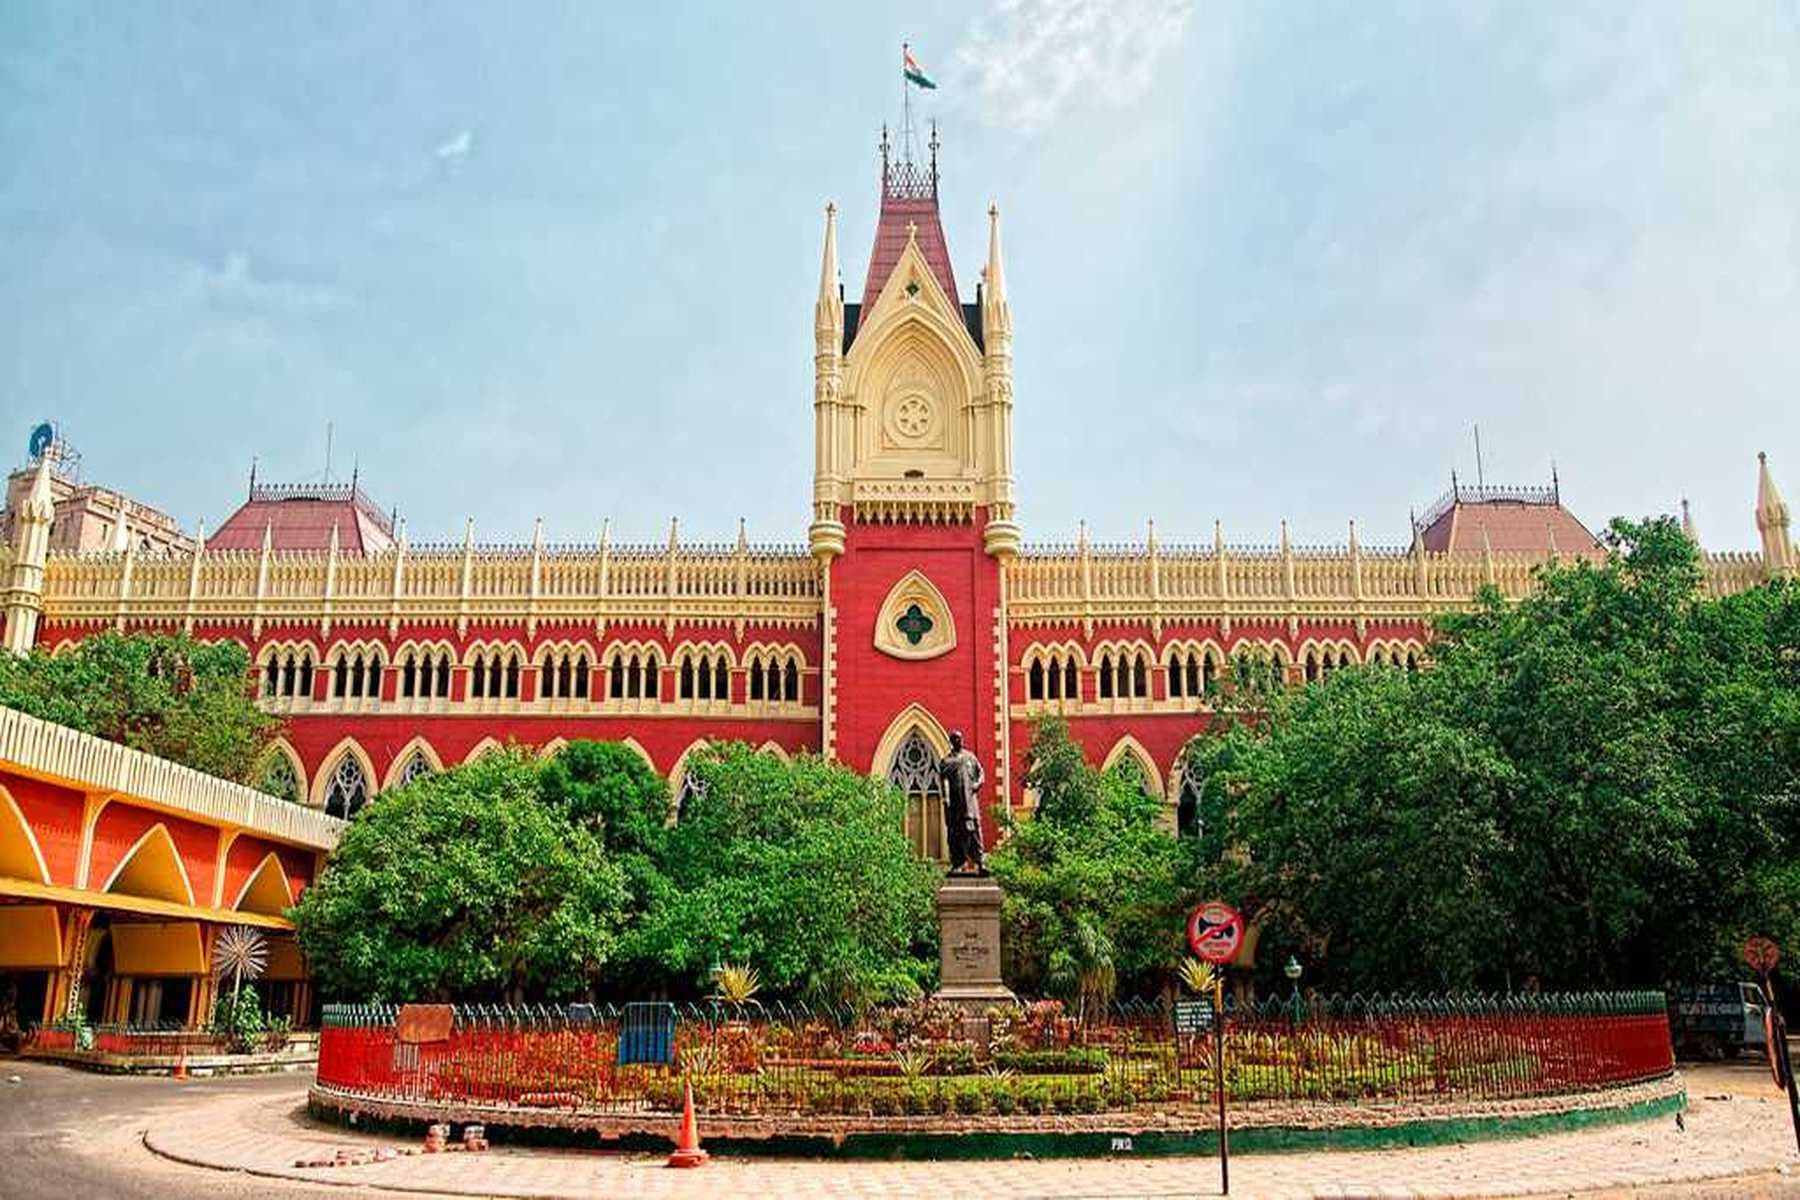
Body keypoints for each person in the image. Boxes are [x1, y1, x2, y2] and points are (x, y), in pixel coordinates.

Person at [939, 730, 986, 873]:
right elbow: (943, 781)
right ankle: (958, 863)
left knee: (975, 831)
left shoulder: (970, 757)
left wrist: (977, 784)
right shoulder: (947, 761)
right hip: (956, 804)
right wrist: (946, 799)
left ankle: (979, 862)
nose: (960, 741)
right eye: (956, 739)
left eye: (960, 738)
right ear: (952, 742)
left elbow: (981, 774)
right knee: (957, 832)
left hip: (971, 802)